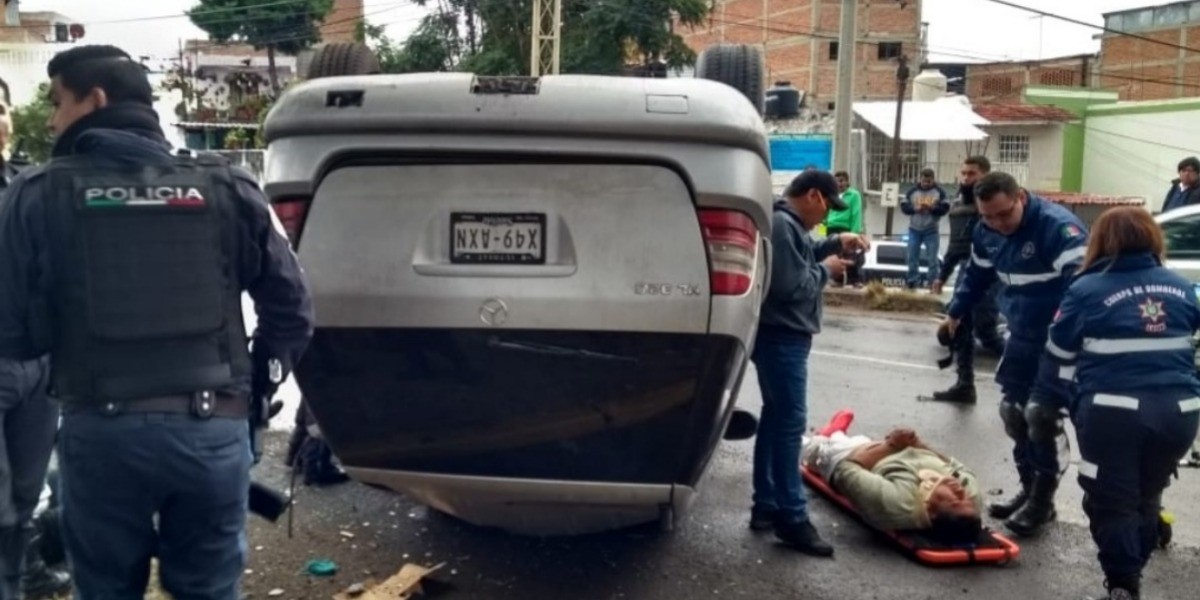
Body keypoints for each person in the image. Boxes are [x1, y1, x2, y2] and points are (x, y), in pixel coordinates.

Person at [0, 45, 314, 599]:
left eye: (56, 102)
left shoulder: (36, 194)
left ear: (95, 101)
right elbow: (292, 310)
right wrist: (256, 393)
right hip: (213, 431)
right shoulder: (229, 186)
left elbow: (14, 333)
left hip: (100, 434)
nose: (50, 120)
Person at [1045, 207, 1200, 600]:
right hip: (1180, 412)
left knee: (1111, 503)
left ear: (1101, 240)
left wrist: (1050, 404)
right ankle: (1130, 574)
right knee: (1146, 498)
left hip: (1114, 414)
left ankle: (1122, 586)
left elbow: (1058, 354)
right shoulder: (1182, 288)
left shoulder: (1086, 289)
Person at [944, 171, 1088, 537]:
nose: (997, 224)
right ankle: (1029, 486)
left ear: (1021, 197)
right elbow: (975, 276)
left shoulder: (1058, 228)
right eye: (987, 216)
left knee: (1041, 416)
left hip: (1057, 341)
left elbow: (1082, 288)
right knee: (1012, 414)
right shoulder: (986, 230)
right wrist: (956, 310)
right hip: (1021, 335)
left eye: (1004, 215)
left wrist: (1064, 334)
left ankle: (1043, 501)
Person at [750, 170, 868, 556]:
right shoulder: (785, 223)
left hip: (780, 336)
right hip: (782, 336)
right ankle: (791, 517)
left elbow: (800, 253)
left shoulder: (786, 224)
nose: (826, 216)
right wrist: (827, 271)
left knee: (775, 420)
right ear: (814, 196)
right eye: (827, 208)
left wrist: (833, 242)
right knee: (788, 426)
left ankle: (767, 505)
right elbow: (790, 286)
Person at [802, 412, 983, 544]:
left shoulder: (896, 504)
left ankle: (827, 435)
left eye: (954, 501)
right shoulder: (971, 495)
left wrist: (891, 445)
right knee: (861, 440)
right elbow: (956, 465)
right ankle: (838, 433)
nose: (960, 491)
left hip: (854, 455)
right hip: (897, 449)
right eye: (966, 499)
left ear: (931, 514)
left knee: (818, 449)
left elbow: (845, 469)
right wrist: (918, 444)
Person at [930, 157, 1004, 403]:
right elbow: (955, 246)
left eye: (972, 173)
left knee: (986, 330)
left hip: (990, 273)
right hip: (966, 270)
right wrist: (942, 275)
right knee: (960, 326)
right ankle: (964, 384)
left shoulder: (997, 205)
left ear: (984, 176)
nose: (966, 178)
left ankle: (1030, 377)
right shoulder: (958, 206)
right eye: (963, 173)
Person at [900, 168, 950, 289]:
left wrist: (931, 208)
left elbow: (945, 208)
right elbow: (904, 207)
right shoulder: (912, 191)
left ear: (933, 180)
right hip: (914, 229)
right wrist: (914, 209)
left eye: (928, 181)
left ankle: (932, 282)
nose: (926, 184)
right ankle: (912, 281)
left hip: (931, 230)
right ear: (920, 179)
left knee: (932, 258)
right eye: (924, 181)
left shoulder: (940, 192)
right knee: (912, 256)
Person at [824, 171, 865, 287]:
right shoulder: (832, 194)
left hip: (845, 227)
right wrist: (825, 222)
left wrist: (855, 232)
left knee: (850, 254)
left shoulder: (854, 195)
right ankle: (838, 279)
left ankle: (855, 279)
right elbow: (827, 210)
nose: (839, 184)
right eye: (836, 181)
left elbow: (856, 213)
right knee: (834, 255)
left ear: (847, 181)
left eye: (841, 181)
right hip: (831, 227)